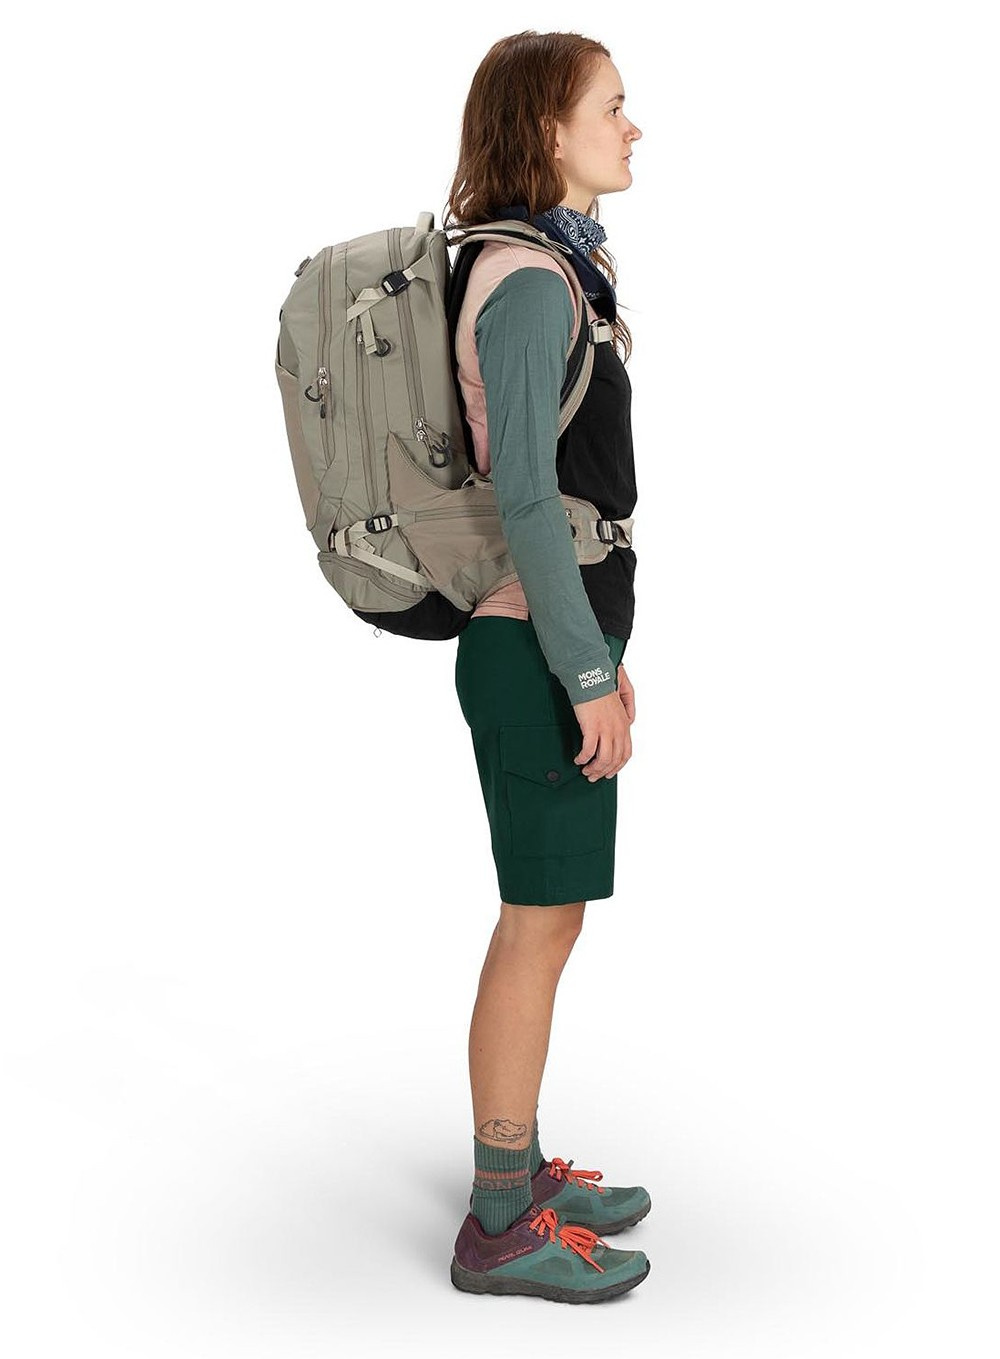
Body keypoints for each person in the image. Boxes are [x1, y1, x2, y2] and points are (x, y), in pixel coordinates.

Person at [443, 32, 650, 1304]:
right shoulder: (526, 283)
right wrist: (581, 674)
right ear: (546, 131)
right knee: (535, 922)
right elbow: (525, 495)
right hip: (529, 649)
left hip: (554, 639)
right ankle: (496, 1224)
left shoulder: (556, 268)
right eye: (612, 107)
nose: (633, 128)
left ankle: (515, 1178)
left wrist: (602, 660)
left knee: (552, 913)